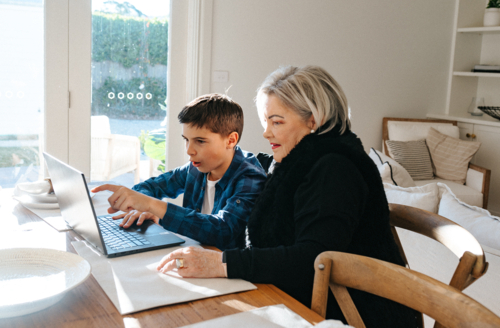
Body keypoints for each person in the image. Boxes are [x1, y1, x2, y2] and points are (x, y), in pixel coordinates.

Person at [154, 66, 419, 326]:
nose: (266, 132)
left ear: (313, 120)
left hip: (357, 314)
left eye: (277, 122)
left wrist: (223, 263)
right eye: (266, 121)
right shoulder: (297, 162)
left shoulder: (336, 169)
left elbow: (312, 259)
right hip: (303, 297)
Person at [92, 93, 267, 251]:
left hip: (227, 273)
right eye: (186, 140)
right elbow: (151, 187)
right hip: (194, 255)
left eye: (200, 141)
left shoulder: (250, 177)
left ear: (231, 140)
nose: (189, 150)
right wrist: (140, 204)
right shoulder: (196, 168)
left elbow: (222, 231)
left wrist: (154, 206)